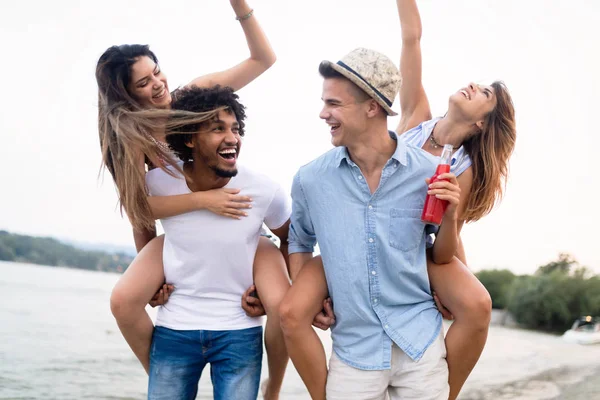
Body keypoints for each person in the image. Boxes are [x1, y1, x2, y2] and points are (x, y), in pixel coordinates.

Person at [281, 1, 517, 397]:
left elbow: (447, 235)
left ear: (481, 123)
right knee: (292, 310)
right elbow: (412, 39)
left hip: (415, 241)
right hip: (354, 221)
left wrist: (452, 283)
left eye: (485, 94)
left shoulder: (465, 165)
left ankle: (444, 389)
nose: (473, 86)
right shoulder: (415, 115)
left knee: (475, 303)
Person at [96, 2, 290, 398]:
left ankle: (276, 384)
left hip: (236, 228)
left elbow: (263, 58)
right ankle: (166, 377)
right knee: (124, 300)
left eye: (157, 71)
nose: (158, 84)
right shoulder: (131, 138)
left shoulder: (193, 97)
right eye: (143, 83)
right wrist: (159, 275)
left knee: (283, 305)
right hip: (187, 232)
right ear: (125, 95)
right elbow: (139, 213)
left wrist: (240, 7)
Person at [280, 48, 462, 400]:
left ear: (371, 107)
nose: (323, 113)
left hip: (419, 344)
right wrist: (314, 296)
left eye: (333, 104)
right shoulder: (310, 179)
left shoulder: (428, 172)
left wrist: (451, 215)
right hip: (354, 350)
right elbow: (300, 242)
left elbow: (442, 254)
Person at [145, 85, 291, 399]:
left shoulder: (264, 190)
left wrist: (275, 290)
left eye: (236, 129)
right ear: (189, 138)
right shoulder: (157, 183)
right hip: (173, 328)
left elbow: (292, 239)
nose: (232, 138)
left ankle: (274, 389)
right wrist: (150, 282)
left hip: (239, 332)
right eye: (217, 129)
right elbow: (140, 218)